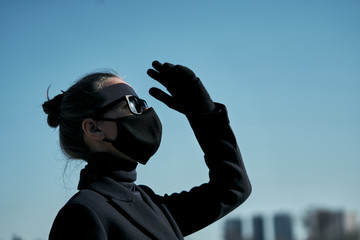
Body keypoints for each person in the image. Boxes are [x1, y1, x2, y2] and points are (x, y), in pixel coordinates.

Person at [43, 61, 252, 240]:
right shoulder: (83, 214)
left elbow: (232, 187)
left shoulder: (151, 204)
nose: (144, 112)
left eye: (142, 103)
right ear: (94, 128)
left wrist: (202, 113)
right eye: (132, 104)